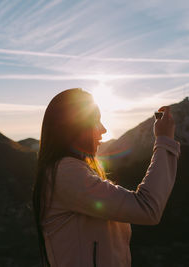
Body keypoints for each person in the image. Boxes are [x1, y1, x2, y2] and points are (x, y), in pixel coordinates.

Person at [32, 88, 180, 267]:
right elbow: (147, 208)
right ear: (73, 126)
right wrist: (164, 141)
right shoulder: (65, 173)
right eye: (95, 121)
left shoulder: (71, 171)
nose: (103, 129)